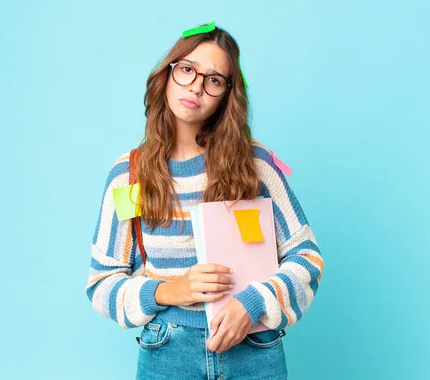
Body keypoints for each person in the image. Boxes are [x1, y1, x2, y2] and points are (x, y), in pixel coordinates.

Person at [86, 23, 324, 380]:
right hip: (167, 352)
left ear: (228, 95)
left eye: (213, 79)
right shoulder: (129, 175)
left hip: (255, 348)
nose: (196, 85)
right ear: (167, 74)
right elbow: (102, 282)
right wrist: (168, 290)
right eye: (186, 70)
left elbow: (307, 258)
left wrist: (253, 303)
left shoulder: (255, 165)